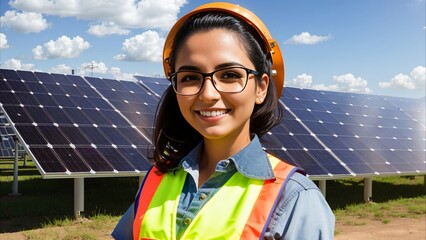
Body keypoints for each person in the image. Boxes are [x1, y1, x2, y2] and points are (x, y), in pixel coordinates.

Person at [112, 2, 335, 239]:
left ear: (261, 87)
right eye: (190, 77)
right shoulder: (157, 178)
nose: (208, 94)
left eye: (229, 75)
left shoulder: (295, 198)